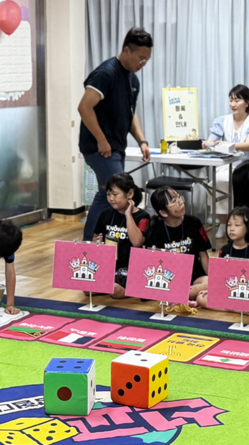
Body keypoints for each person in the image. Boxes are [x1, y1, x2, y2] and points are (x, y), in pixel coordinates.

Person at [78, 27, 153, 241]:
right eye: (140, 58)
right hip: (99, 147)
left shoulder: (133, 80)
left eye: (147, 60)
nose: (143, 63)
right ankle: (89, 243)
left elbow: (130, 115)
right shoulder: (106, 73)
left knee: (109, 193)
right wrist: (101, 140)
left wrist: (142, 141)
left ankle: (99, 241)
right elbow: (84, 107)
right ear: (127, 50)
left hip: (115, 146)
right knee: (109, 193)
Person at [144, 186, 211, 302]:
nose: (180, 202)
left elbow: (203, 254)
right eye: (174, 201)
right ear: (163, 212)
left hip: (194, 275)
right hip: (169, 277)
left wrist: (213, 279)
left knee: (208, 283)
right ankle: (182, 294)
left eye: (179, 197)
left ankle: (175, 294)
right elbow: (152, 261)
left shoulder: (194, 222)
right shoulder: (156, 229)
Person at [91, 172, 147, 297]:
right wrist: (97, 243)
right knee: (87, 289)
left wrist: (128, 215)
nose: (111, 198)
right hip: (109, 266)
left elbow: (137, 242)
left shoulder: (142, 217)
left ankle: (137, 288)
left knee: (115, 290)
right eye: (108, 194)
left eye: (115, 194)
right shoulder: (105, 214)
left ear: (130, 194)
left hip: (130, 268)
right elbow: (95, 238)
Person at [205, 85, 249, 160]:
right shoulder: (222, 121)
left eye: (237, 101)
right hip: (225, 165)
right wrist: (207, 144)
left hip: (247, 166)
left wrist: (228, 144)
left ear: (247, 103)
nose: (232, 104)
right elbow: (211, 140)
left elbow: (248, 146)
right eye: (230, 100)